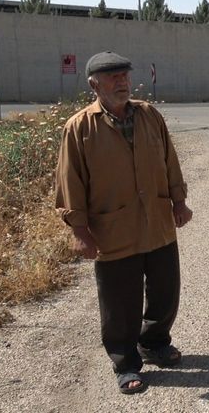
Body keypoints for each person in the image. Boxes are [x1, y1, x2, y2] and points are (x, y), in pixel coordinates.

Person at [55, 51, 193, 395]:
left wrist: (179, 201)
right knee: (120, 302)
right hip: (112, 230)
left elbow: (169, 161)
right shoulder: (79, 127)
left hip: (158, 222)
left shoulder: (149, 115)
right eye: (113, 77)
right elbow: (69, 182)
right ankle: (125, 361)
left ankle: (154, 342)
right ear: (94, 84)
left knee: (165, 292)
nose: (122, 82)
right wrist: (80, 231)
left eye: (124, 76)